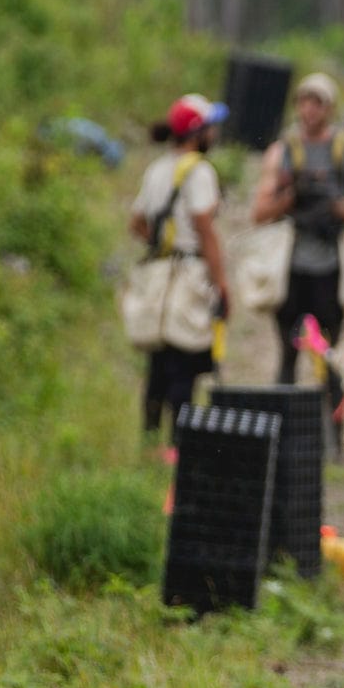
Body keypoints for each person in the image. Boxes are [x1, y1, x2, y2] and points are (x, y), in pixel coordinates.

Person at [250, 72, 344, 412]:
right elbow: (259, 212)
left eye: (317, 103)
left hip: (330, 268)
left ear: (329, 108)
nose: (309, 110)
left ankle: (332, 436)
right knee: (288, 352)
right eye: (304, 101)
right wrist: (291, 196)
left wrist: (334, 205)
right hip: (292, 267)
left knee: (330, 355)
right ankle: (282, 424)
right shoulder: (282, 152)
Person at [129, 93, 230, 445]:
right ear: (197, 132)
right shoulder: (200, 172)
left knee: (158, 363)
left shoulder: (158, 168)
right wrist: (221, 282)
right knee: (185, 364)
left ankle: (149, 441)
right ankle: (177, 448)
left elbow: (137, 222)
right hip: (187, 277)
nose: (214, 134)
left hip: (158, 277)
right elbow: (205, 229)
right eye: (210, 128)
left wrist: (161, 243)